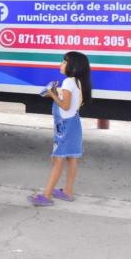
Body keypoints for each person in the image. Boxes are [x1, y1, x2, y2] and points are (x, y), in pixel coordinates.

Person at [28, 51, 92, 207]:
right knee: (71, 157)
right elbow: (69, 103)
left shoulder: (69, 82)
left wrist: (51, 94)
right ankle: (68, 192)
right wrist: (56, 93)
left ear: (74, 67)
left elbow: (64, 105)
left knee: (58, 159)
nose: (60, 64)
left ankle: (46, 195)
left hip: (65, 126)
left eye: (64, 62)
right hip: (73, 123)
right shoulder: (78, 82)